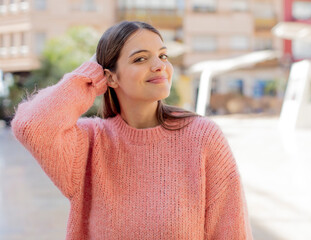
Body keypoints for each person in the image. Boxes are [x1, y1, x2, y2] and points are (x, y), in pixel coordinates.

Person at [11, 21, 253, 240]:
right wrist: (89, 73)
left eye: (163, 55)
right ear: (110, 78)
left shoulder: (202, 137)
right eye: (140, 59)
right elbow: (32, 125)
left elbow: (231, 231)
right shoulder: (90, 143)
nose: (159, 66)